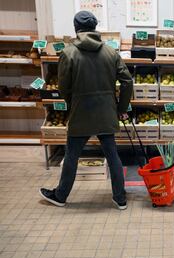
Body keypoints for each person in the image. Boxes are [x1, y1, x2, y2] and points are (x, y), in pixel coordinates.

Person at [39, 11, 133, 210]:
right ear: (95, 27)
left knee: (72, 155)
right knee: (112, 154)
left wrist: (75, 102)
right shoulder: (110, 52)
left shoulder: (68, 53)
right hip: (106, 111)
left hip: (81, 111)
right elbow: (127, 81)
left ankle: (61, 195)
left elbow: (64, 87)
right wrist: (120, 108)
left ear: (76, 28)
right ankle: (120, 198)